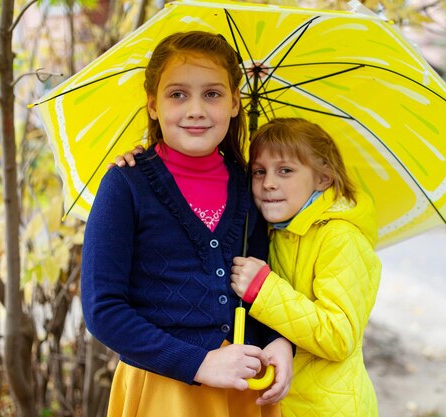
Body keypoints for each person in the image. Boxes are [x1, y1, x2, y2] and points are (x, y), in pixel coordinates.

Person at [82, 31, 293, 417]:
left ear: (234, 103)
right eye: (177, 94)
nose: (195, 109)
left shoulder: (251, 186)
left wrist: (279, 342)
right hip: (163, 390)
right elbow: (103, 310)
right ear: (152, 105)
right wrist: (200, 364)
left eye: (212, 94)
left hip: (243, 388)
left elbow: (266, 286)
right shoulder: (126, 185)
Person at [230, 118, 382, 417]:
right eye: (259, 172)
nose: (269, 182)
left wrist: (265, 290)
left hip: (328, 408)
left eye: (285, 170)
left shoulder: (341, 238)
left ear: (323, 178)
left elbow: (339, 336)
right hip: (283, 402)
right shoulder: (273, 229)